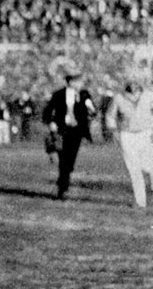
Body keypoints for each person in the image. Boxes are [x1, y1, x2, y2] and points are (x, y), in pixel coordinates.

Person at [42, 66, 97, 199]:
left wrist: (90, 109)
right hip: (62, 129)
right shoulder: (58, 94)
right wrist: (51, 122)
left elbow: (92, 109)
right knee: (63, 158)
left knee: (71, 158)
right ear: (70, 82)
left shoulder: (84, 94)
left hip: (76, 130)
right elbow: (47, 111)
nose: (79, 84)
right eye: (76, 81)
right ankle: (62, 186)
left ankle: (64, 178)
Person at [106, 76, 153, 209]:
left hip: (146, 133)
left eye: (135, 82)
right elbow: (110, 115)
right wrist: (114, 130)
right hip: (127, 135)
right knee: (134, 169)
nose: (133, 85)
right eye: (130, 82)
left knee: (149, 166)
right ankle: (140, 202)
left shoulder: (149, 95)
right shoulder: (119, 97)